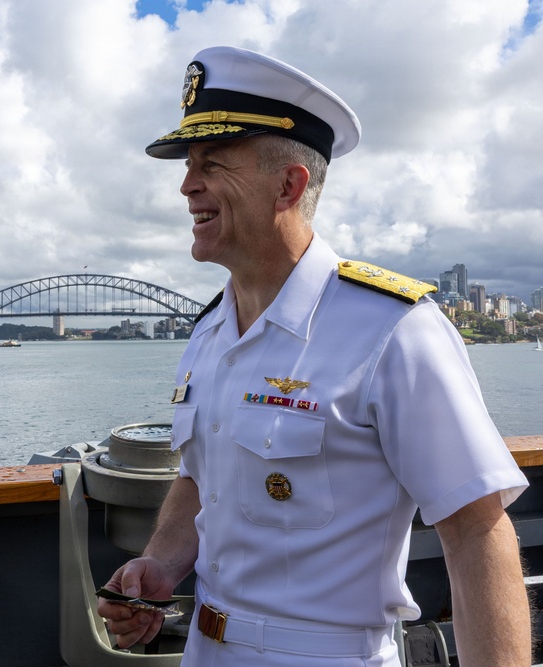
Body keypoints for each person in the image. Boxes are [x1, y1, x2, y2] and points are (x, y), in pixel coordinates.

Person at [97, 46, 530, 666]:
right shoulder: (208, 332)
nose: (187, 185)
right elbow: (200, 480)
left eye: (212, 164)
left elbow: (475, 532)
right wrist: (161, 566)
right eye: (190, 165)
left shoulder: (392, 329)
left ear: (288, 184)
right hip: (203, 650)